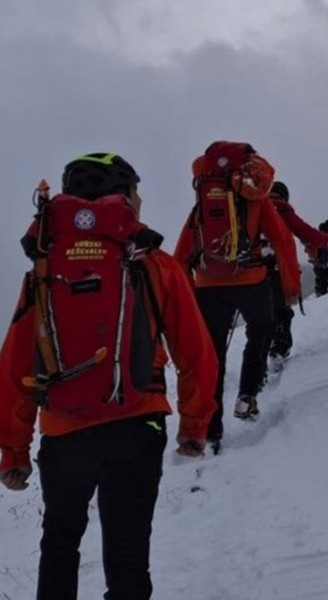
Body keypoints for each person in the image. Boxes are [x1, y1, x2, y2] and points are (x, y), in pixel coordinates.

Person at [0, 152, 218, 600]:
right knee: (129, 556)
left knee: (59, 545)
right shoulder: (154, 263)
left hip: (64, 433)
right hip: (139, 425)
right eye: (135, 190)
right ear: (121, 195)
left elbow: (16, 366)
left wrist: (14, 451)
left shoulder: (42, 269)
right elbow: (196, 353)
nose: (140, 200)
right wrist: (195, 426)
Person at [174, 142, 300, 449]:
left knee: (212, 355)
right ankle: (247, 395)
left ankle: (211, 430)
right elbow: (283, 242)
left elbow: (183, 251)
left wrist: (186, 293)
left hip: (207, 285)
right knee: (262, 330)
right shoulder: (256, 198)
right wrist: (290, 288)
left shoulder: (202, 201)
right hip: (252, 281)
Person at [262, 180, 328, 361]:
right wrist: (326, 239)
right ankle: (278, 352)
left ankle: (260, 355)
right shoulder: (282, 210)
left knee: (261, 314)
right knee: (281, 312)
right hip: (277, 269)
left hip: (253, 270)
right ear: (284, 196)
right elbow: (306, 233)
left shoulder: (256, 207)